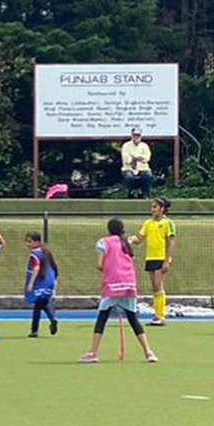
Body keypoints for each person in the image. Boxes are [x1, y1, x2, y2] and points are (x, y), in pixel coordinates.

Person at [79, 218, 158, 364]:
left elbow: (100, 264)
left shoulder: (103, 242)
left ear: (109, 229)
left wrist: (108, 270)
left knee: (102, 317)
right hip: (129, 283)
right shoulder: (126, 242)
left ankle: (93, 353)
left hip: (112, 285)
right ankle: (149, 352)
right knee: (133, 318)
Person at [130, 195, 176, 326]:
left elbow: (171, 242)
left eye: (155, 207)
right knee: (154, 287)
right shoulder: (148, 223)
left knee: (158, 285)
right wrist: (129, 240)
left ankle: (160, 316)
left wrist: (168, 260)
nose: (152, 209)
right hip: (150, 258)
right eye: (152, 207)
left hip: (160, 258)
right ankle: (157, 315)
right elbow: (139, 239)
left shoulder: (168, 223)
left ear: (162, 209)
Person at [23, 232, 59, 338]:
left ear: (37, 242)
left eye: (30, 241)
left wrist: (31, 283)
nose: (27, 244)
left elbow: (36, 268)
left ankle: (34, 330)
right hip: (49, 280)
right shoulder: (46, 251)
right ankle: (52, 319)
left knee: (38, 305)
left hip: (41, 281)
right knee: (42, 303)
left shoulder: (34, 254)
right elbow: (53, 266)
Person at [120, 127, 153, 198]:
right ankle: (130, 193)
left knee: (148, 175)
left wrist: (134, 157)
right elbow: (126, 159)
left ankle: (145, 194)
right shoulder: (126, 146)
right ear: (132, 135)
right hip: (128, 169)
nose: (136, 137)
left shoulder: (145, 146)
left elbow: (147, 158)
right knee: (129, 177)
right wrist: (138, 158)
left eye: (138, 135)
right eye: (135, 135)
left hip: (143, 168)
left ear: (141, 136)